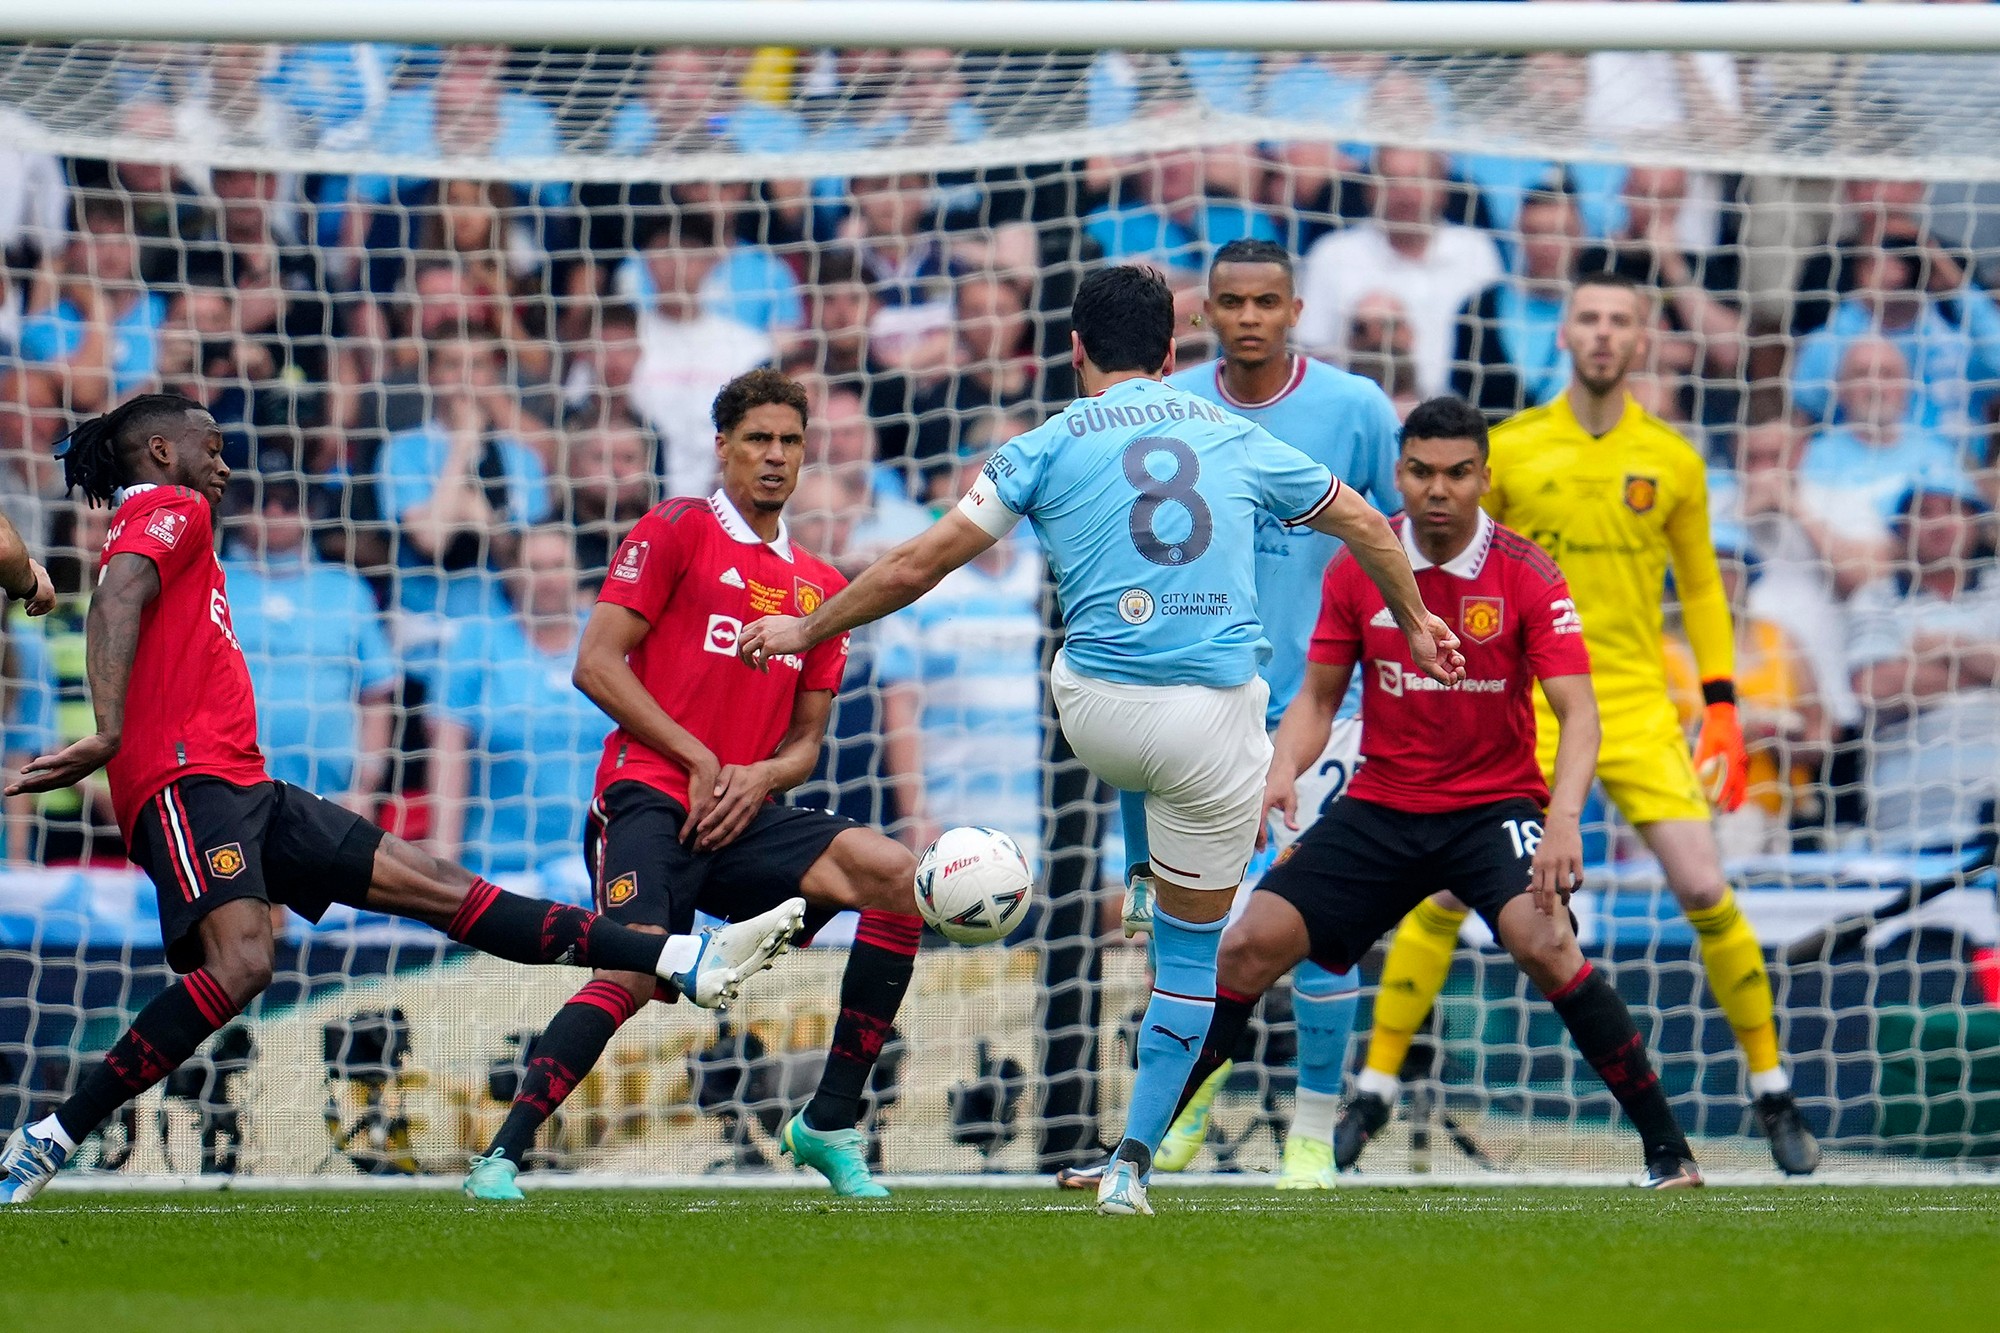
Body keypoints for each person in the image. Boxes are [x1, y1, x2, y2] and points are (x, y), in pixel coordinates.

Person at [735, 265, 1463, 1216]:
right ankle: (1131, 1163)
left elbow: (918, 564)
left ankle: (1141, 867)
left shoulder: (1040, 443)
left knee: (1094, 669)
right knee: (1193, 962)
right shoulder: (1239, 434)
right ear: (1173, 355)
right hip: (1216, 729)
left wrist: (805, 627)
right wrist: (1411, 619)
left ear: (1075, 352)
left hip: (1097, 715)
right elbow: (1367, 520)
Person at [0, 394, 805, 1208]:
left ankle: (676, 957)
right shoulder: (169, 507)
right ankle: (52, 1136)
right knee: (243, 962)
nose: (225, 463)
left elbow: (128, 594)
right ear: (164, 453)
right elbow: (115, 598)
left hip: (243, 782)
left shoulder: (167, 519)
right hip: (183, 778)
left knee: (440, 888)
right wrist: (107, 734)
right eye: (211, 447)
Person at [1340, 272, 1822, 1177]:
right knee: (1446, 892)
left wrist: (1721, 706)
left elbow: (1704, 589)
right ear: (1563, 334)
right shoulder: (1514, 450)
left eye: (1620, 322)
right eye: (1589, 318)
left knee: (1706, 888)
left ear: (1644, 340)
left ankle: (1771, 1089)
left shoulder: (1673, 461)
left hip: (1635, 703)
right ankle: (1376, 1085)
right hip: (1529, 704)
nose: (1603, 334)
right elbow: (1465, 569)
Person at [1171, 396, 1702, 1187]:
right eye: (1421, 472)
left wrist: (1562, 821)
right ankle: (1147, 1141)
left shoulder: (1526, 572)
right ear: (1399, 473)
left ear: (1486, 477)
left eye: (1458, 473)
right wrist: (1280, 770)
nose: (1438, 490)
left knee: (1547, 942)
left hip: (1493, 809)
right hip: (1384, 805)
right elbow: (1318, 697)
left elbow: (1580, 715)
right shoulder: (1361, 563)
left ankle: (1669, 1152)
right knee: (1249, 944)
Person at [463, 370, 926, 1204]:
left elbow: (806, 745)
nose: (775, 456)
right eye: (758, 440)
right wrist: (699, 757)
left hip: (745, 809)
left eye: (789, 440)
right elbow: (595, 665)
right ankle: (500, 1155)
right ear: (723, 447)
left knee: (896, 876)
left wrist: (757, 776)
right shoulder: (676, 528)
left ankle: (827, 1121)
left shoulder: (820, 590)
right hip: (648, 794)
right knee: (633, 970)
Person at [1135, 237, 1402, 1189]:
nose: (1250, 317)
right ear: (1203, 314)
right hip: (1206, 705)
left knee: (1314, 919)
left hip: (1330, 709)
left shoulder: (1358, 410)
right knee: (1196, 923)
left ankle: (1312, 1129)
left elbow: (1392, 535)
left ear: (1295, 311)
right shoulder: (1174, 414)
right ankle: (1191, 1096)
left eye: (1268, 302)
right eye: (1232, 302)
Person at [430, 528, 612, 876]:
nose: (547, 579)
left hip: (602, 861)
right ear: (513, 574)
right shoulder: (477, 642)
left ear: (577, 571)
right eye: (535, 566)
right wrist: (444, 870)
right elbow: (448, 755)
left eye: (558, 565)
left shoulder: (610, 638)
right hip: (500, 866)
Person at [1847, 472, 2000, 852]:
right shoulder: (1876, 597)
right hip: (1909, 823)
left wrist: (1949, 646)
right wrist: (1985, 669)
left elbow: (1899, 680)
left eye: (1952, 511)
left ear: (1974, 523)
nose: (1940, 523)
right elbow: (1875, 689)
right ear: (1902, 529)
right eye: (1925, 513)